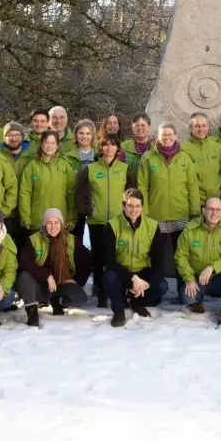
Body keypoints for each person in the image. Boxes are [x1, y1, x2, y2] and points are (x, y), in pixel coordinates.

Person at [75, 133, 134, 307]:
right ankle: (101, 292)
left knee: (120, 257)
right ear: (100, 148)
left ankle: (121, 291)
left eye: (112, 145)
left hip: (120, 222)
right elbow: (80, 194)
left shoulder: (125, 168)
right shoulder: (91, 169)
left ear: (118, 148)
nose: (109, 149)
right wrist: (88, 211)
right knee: (99, 259)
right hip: (97, 222)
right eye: (105, 145)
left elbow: (132, 193)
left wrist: (128, 214)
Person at [136, 122, 197, 281]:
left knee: (182, 255)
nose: (167, 137)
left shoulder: (185, 158)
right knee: (157, 256)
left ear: (176, 136)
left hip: (181, 215)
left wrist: (195, 212)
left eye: (170, 134)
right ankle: (156, 288)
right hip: (157, 217)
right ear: (158, 137)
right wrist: (145, 213)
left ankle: (183, 288)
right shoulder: (148, 158)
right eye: (164, 135)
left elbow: (192, 187)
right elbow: (142, 188)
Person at [103, 189, 169, 327]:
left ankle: (137, 302)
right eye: (130, 205)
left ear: (142, 207)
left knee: (162, 286)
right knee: (109, 277)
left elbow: (159, 260)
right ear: (123, 206)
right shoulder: (112, 225)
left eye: (138, 206)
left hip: (142, 271)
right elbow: (109, 260)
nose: (134, 210)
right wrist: (132, 278)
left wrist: (147, 284)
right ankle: (119, 311)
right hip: (121, 271)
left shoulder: (152, 226)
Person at [17, 208, 92, 328]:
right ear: (44, 224)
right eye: (49, 223)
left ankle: (59, 301)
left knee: (80, 298)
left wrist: (76, 280)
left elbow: (87, 261)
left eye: (56, 222)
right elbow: (25, 262)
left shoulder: (71, 240)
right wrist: (46, 275)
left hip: (62, 283)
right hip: (41, 285)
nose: (53, 227)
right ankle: (32, 313)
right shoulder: (34, 240)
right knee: (24, 276)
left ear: (61, 224)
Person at [175, 197, 221, 325]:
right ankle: (196, 302)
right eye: (210, 209)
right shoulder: (190, 229)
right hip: (197, 279)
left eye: (217, 210)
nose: (214, 213)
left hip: (219, 279)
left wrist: (212, 267)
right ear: (203, 210)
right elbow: (181, 256)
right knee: (187, 298)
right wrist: (189, 279)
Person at [18, 130, 78, 232]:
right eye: (46, 142)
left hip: (60, 222)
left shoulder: (66, 165)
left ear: (58, 145)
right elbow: (25, 193)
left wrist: (72, 216)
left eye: (52, 143)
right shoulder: (32, 166)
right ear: (41, 144)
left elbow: (71, 193)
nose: (49, 146)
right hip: (38, 221)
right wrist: (25, 217)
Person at [183, 112, 221, 210]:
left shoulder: (217, 148)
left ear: (208, 127)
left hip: (217, 203)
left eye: (204, 125)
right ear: (191, 128)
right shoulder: (183, 149)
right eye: (197, 126)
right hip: (194, 203)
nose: (201, 129)